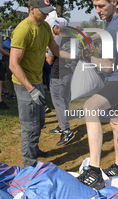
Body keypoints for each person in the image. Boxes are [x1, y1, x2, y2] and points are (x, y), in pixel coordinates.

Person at [76, 0, 118, 189]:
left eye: (101, 6)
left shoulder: (115, 29)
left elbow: (108, 66)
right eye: (95, 6)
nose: (98, 10)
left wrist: (87, 56)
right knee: (116, 123)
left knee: (90, 107)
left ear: (114, 1)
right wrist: (88, 38)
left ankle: (94, 171)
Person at [9, 0, 64, 168]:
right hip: (25, 85)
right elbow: (13, 64)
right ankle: (29, 165)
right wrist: (31, 89)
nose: (47, 14)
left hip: (38, 81)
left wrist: (76, 57)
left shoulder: (45, 27)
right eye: (43, 11)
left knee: (39, 121)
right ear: (31, 9)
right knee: (29, 125)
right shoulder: (23, 30)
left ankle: (34, 149)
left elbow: (55, 49)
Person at [46, 18, 75, 146]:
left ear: (58, 28)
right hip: (69, 73)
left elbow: (49, 61)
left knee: (58, 102)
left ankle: (66, 130)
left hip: (58, 74)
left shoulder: (57, 40)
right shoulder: (72, 39)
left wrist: (46, 50)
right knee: (64, 100)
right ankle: (61, 124)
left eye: (54, 27)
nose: (53, 28)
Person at [2, 26, 16, 100]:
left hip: (12, 61)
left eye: (12, 31)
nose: (10, 32)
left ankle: (14, 93)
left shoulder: (16, 41)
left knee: (11, 78)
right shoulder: (7, 41)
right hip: (5, 60)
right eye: (10, 31)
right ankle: (6, 91)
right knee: (2, 77)